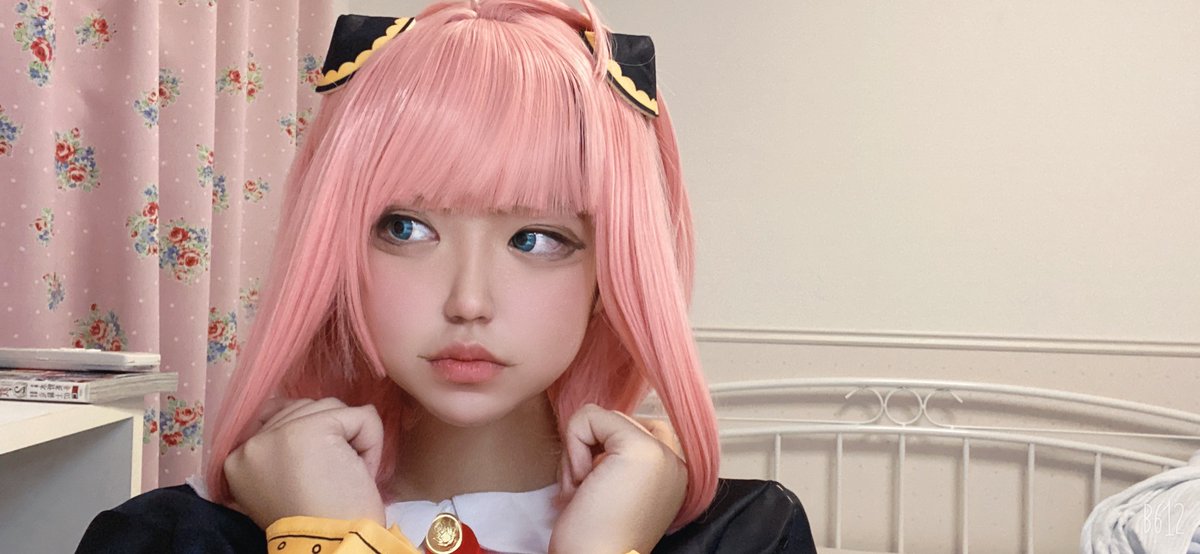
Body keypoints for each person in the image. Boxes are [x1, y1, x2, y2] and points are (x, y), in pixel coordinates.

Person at [77, 1, 817, 552]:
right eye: (406, 229)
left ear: (610, 272)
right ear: (337, 248)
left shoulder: (745, 536)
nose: (469, 301)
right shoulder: (171, 538)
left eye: (536, 239)